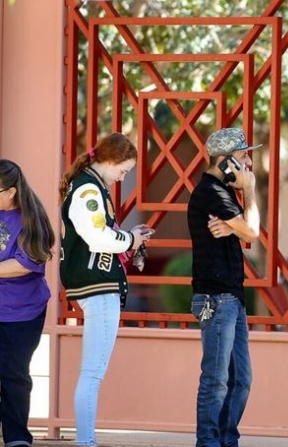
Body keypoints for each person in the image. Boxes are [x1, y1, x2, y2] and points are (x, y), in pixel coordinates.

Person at [59, 133, 152, 447]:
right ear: (109, 161)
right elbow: (97, 237)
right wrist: (130, 240)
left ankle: (86, 441)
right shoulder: (89, 189)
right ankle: (86, 442)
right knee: (93, 373)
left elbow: (96, 235)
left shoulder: (88, 185)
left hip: (97, 287)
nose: (122, 177)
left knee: (92, 372)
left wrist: (129, 237)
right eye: (123, 171)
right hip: (98, 289)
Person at [188, 128, 260, 447]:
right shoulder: (210, 192)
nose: (248, 163)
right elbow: (253, 232)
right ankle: (209, 441)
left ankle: (226, 440)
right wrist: (252, 191)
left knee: (241, 380)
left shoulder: (224, 194)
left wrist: (235, 228)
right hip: (216, 299)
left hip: (232, 298)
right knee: (216, 380)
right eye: (243, 156)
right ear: (224, 160)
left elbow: (244, 234)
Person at [0, 160, 55, 447]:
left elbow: (25, 263)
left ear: (10, 191)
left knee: (14, 374)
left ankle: (17, 438)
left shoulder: (31, 217)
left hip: (22, 312)